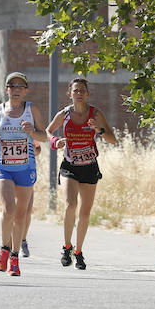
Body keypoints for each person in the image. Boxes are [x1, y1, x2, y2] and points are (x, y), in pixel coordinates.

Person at [46, 77, 117, 270]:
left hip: (90, 166)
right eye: (75, 91)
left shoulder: (95, 113)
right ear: (69, 94)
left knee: (85, 213)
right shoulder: (64, 114)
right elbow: (48, 131)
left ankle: (78, 251)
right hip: (70, 165)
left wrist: (99, 130)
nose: (78, 94)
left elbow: (113, 140)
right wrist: (55, 142)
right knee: (71, 205)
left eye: (81, 91)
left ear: (87, 94)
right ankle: (66, 246)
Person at [0, 72, 48, 276]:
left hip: (25, 166)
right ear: (7, 89)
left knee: (21, 216)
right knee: (8, 210)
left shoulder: (32, 110)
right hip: (3, 165)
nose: (17, 89)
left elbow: (44, 136)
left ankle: (15, 257)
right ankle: (3, 250)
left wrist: (32, 133)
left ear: (26, 90)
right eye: (13, 85)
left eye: (21, 86)